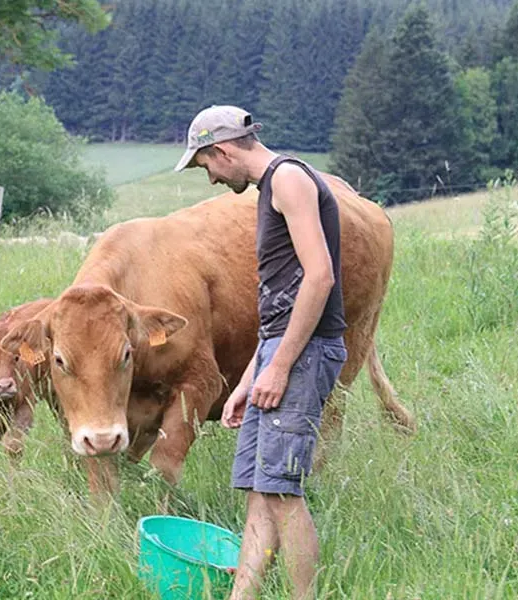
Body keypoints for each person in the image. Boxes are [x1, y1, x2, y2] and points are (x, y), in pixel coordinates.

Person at [175, 105, 348, 600]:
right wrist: (252, 376)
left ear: (222, 150)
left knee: (281, 491)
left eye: (205, 164)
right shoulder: (270, 188)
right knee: (259, 486)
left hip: (305, 351)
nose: (208, 178)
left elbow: (319, 277)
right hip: (280, 348)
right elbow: (280, 302)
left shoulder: (290, 180)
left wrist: (281, 367)